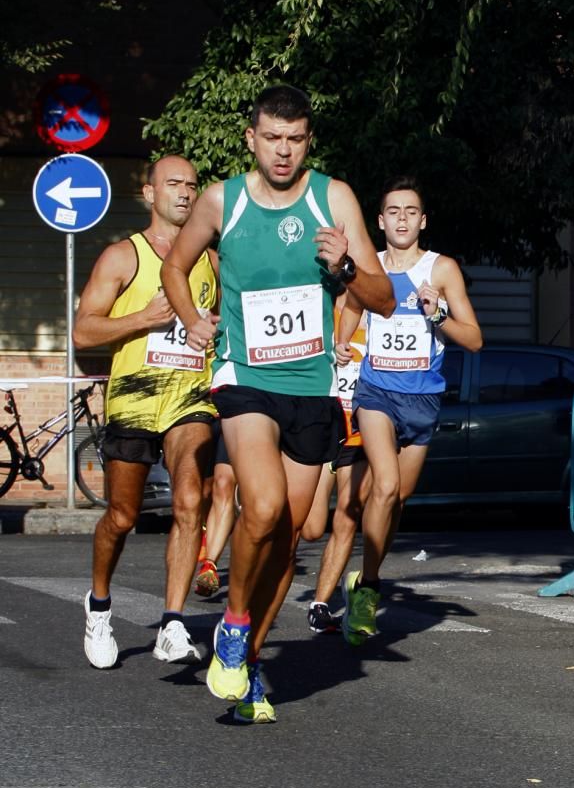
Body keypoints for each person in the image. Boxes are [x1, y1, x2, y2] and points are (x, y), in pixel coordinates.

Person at [162, 84, 394, 723]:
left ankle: (248, 663)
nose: (283, 151)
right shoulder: (222, 201)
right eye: (272, 138)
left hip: (312, 387)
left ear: (307, 140)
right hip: (245, 379)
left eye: (294, 139)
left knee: (288, 542)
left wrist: (346, 267)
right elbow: (174, 269)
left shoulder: (334, 197)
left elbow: (384, 299)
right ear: (251, 140)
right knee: (259, 506)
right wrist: (193, 319)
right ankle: (233, 626)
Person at [75, 154, 216, 669]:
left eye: (192, 185)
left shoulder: (211, 262)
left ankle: (173, 623)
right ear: (149, 193)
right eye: (173, 184)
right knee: (122, 516)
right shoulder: (122, 257)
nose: (184, 192)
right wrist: (143, 318)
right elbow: (83, 332)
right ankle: (99, 606)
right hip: (134, 397)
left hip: (189, 398)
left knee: (189, 500)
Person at [335, 176, 481, 646]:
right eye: (393, 211)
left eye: (410, 211)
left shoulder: (442, 269)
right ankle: (369, 592)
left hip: (423, 399)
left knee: (396, 500)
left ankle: (366, 576)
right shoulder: (367, 266)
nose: (401, 219)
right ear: (380, 221)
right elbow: (354, 306)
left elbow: (474, 339)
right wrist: (342, 341)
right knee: (386, 484)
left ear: (423, 220)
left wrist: (437, 314)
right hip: (376, 391)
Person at [303, 297, 372, 633]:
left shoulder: (378, 316)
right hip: (323, 428)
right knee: (312, 528)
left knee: (347, 517)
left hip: (360, 433)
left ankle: (320, 605)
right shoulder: (322, 310)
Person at [194, 424, 236, 597]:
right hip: (203, 414)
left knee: (223, 483)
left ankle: (209, 566)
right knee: (203, 491)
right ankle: (205, 528)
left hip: (236, 412)